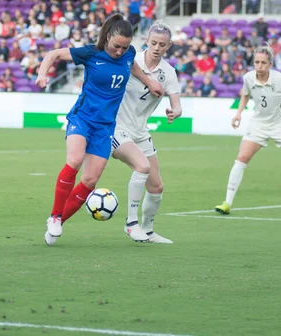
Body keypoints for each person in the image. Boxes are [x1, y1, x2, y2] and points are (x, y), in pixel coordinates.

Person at [36, 13, 164, 246]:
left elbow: (133, 66)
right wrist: (42, 74)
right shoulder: (91, 53)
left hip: (106, 127)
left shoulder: (129, 55)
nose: (120, 51)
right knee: (74, 161)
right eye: (117, 46)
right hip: (83, 118)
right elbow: (53, 54)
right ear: (107, 38)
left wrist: (150, 82)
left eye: (125, 47)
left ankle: (58, 222)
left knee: (90, 181)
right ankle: (55, 215)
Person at [215, 44, 281, 219]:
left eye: (263, 63)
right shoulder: (248, 78)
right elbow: (245, 94)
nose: (259, 66)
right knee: (241, 158)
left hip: (280, 124)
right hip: (258, 124)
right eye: (256, 62)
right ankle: (227, 202)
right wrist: (238, 113)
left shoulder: (280, 79)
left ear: (270, 64)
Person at [111, 21, 182, 244]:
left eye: (162, 44)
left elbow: (177, 105)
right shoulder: (131, 61)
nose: (157, 47)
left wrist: (174, 112)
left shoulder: (169, 72)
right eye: (153, 43)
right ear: (146, 41)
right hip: (116, 128)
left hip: (141, 132)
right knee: (142, 167)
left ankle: (148, 230)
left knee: (156, 186)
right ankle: (131, 224)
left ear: (168, 46)